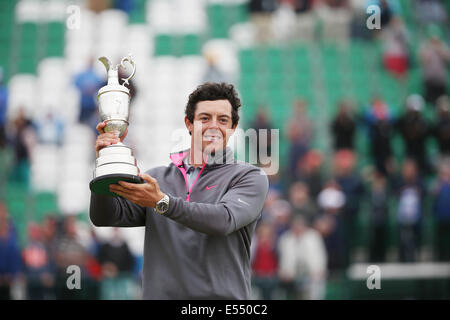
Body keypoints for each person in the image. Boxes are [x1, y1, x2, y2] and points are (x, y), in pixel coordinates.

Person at [90, 82, 269, 299]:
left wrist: (162, 202)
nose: (214, 126)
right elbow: (105, 216)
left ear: (233, 127)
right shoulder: (158, 179)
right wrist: (106, 165)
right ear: (189, 123)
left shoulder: (249, 177)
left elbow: (223, 220)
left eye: (223, 120)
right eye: (205, 118)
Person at [277, 215, 327, 300]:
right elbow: (283, 258)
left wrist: (319, 270)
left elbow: (320, 255)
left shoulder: (314, 236)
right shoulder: (285, 238)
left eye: (300, 225)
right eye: (295, 226)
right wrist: (285, 272)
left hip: (312, 276)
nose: (298, 228)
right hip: (292, 278)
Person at [419, 24, 450, 105]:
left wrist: (439, 49)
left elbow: (447, 58)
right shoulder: (425, 47)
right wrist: (431, 49)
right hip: (429, 78)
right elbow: (423, 60)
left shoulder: (443, 46)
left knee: (442, 101)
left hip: (440, 79)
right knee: (430, 100)